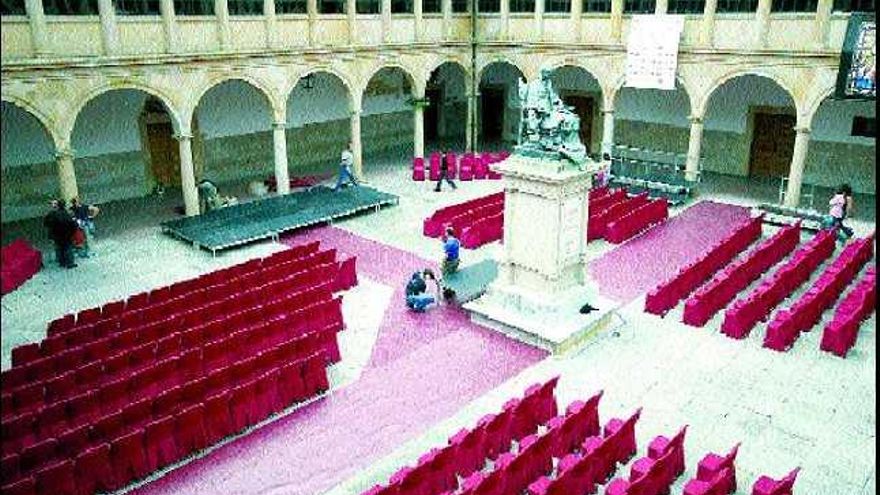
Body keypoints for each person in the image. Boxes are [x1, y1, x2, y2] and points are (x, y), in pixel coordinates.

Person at [43, 199, 78, 269]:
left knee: (59, 248)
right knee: (68, 248)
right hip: (67, 234)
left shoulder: (52, 214)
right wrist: (72, 232)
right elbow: (73, 224)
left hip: (56, 235)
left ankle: (62, 262)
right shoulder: (67, 213)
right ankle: (70, 263)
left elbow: (46, 223)